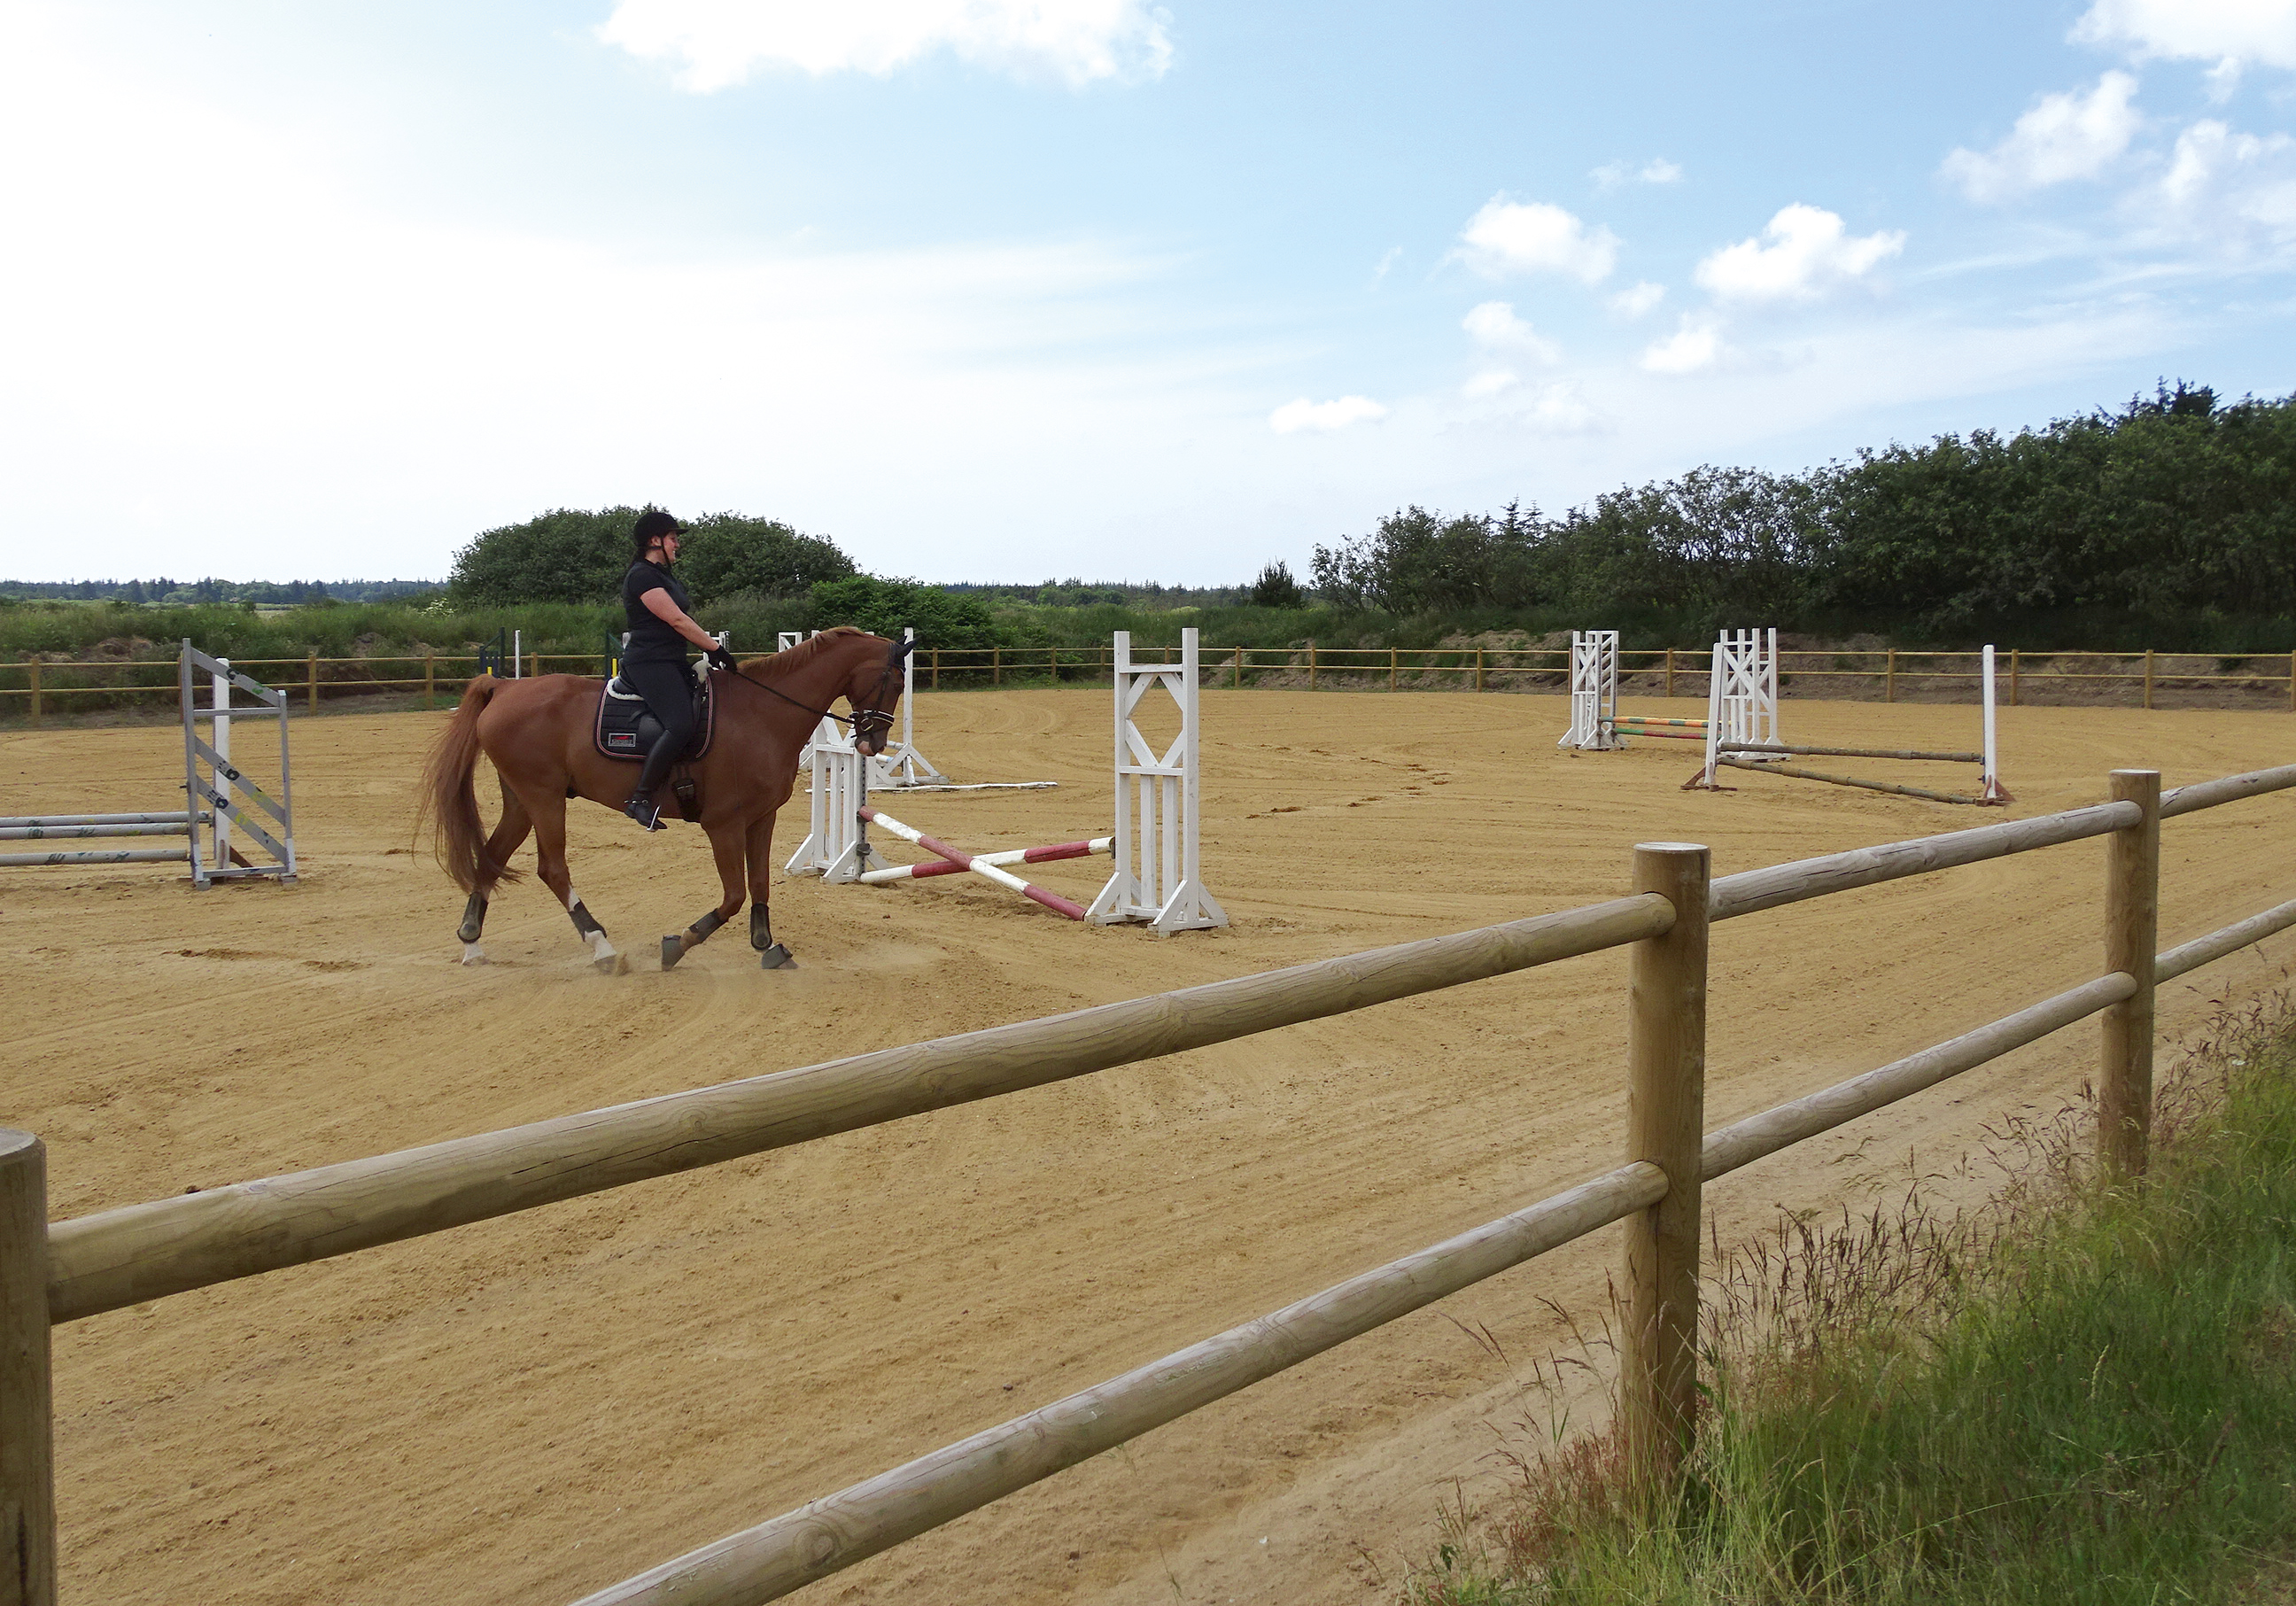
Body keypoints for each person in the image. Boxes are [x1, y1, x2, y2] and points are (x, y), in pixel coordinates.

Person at [618, 508, 735, 830]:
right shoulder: (642, 576)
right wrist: (716, 649)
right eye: (672, 539)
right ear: (654, 541)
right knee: (681, 724)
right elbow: (677, 620)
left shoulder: (664, 576)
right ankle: (640, 798)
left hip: (670, 659)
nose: (676, 545)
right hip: (649, 662)